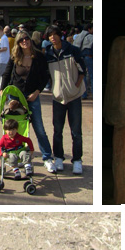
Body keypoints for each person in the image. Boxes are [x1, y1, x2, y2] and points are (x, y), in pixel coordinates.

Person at [0, 30, 55, 172]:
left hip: (32, 96)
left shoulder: (39, 56)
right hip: (16, 97)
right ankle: (16, 156)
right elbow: (7, 73)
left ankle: (47, 157)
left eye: (26, 38)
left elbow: (45, 76)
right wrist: (3, 90)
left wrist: (37, 92)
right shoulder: (15, 56)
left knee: (39, 128)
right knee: (15, 129)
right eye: (21, 40)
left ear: (30, 40)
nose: (24, 41)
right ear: (18, 43)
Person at [44, 25, 86, 175]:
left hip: (74, 96)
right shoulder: (48, 53)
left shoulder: (72, 50)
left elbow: (82, 70)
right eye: (50, 35)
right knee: (57, 130)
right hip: (58, 97)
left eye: (55, 34)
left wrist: (76, 86)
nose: (53, 37)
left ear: (60, 35)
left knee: (76, 131)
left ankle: (77, 160)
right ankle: (59, 158)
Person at [75, 23, 93, 99]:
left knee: (83, 76)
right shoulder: (91, 37)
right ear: (89, 29)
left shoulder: (78, 36)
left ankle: (83, 94)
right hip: (89, 57)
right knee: (93, 76)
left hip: (79, 57)